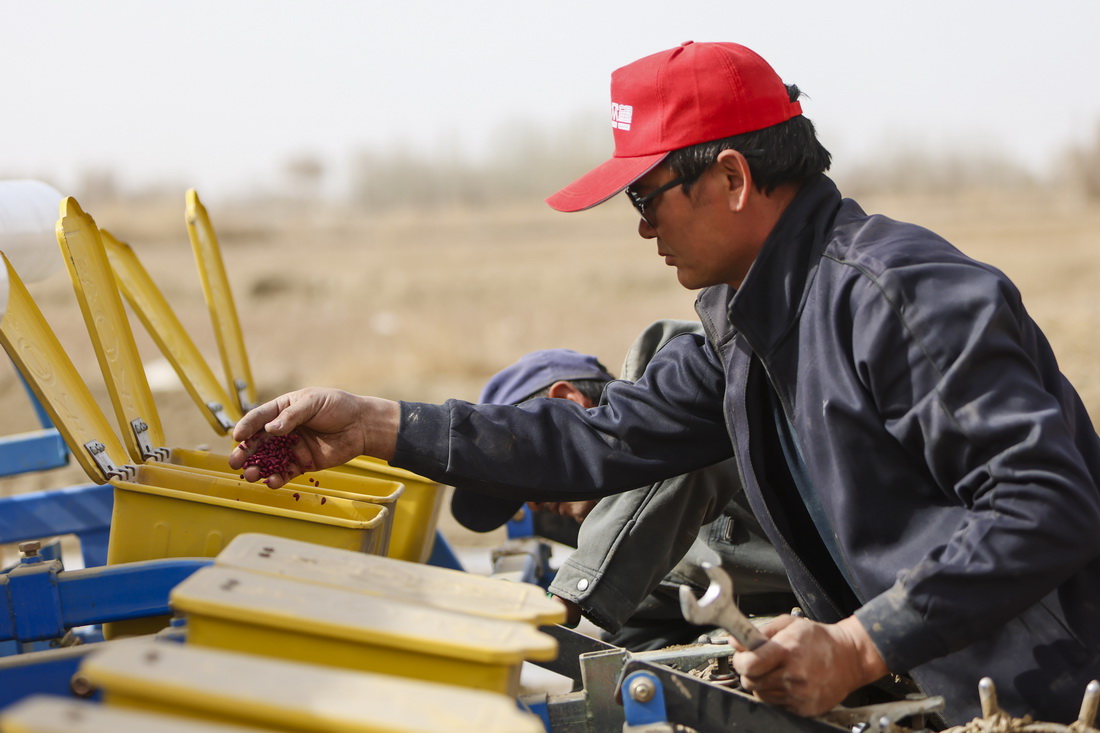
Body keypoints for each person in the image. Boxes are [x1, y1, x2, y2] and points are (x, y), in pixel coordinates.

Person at [230, 41, 1100, 725]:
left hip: (1054, 689)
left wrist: (859, 644)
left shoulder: (901, 297)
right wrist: (376, 423)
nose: (642, 227)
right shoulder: (743, 322)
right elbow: (594, 436)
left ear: (732, 176)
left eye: (648, 196)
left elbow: (1044, 506)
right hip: (945, 682)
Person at [452, 324, 795, 652]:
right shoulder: (648, 556)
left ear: (569, 402)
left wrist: (568, 597)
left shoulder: (696, 421)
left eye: (522, 471)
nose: (532, 505)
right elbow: (639, 643)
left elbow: (677, 459)